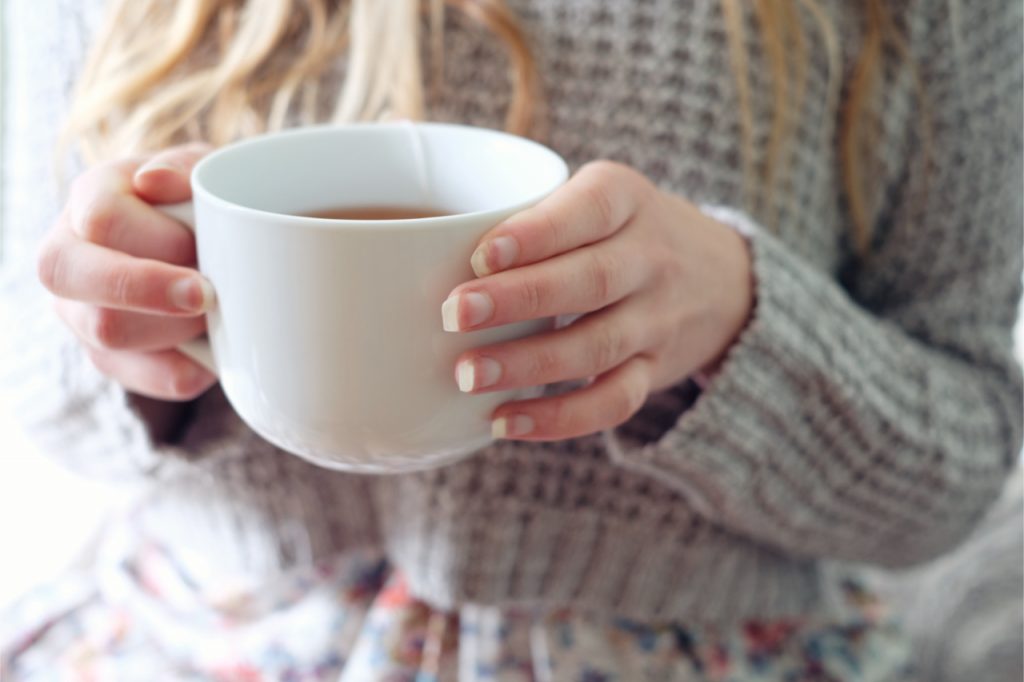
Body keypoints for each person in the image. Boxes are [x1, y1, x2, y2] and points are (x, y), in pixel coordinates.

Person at [1, 0, 1020, 679]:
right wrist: (132, 336)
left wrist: (741, 323)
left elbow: (964, 460)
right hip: (193, 637)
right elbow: (33, 363)